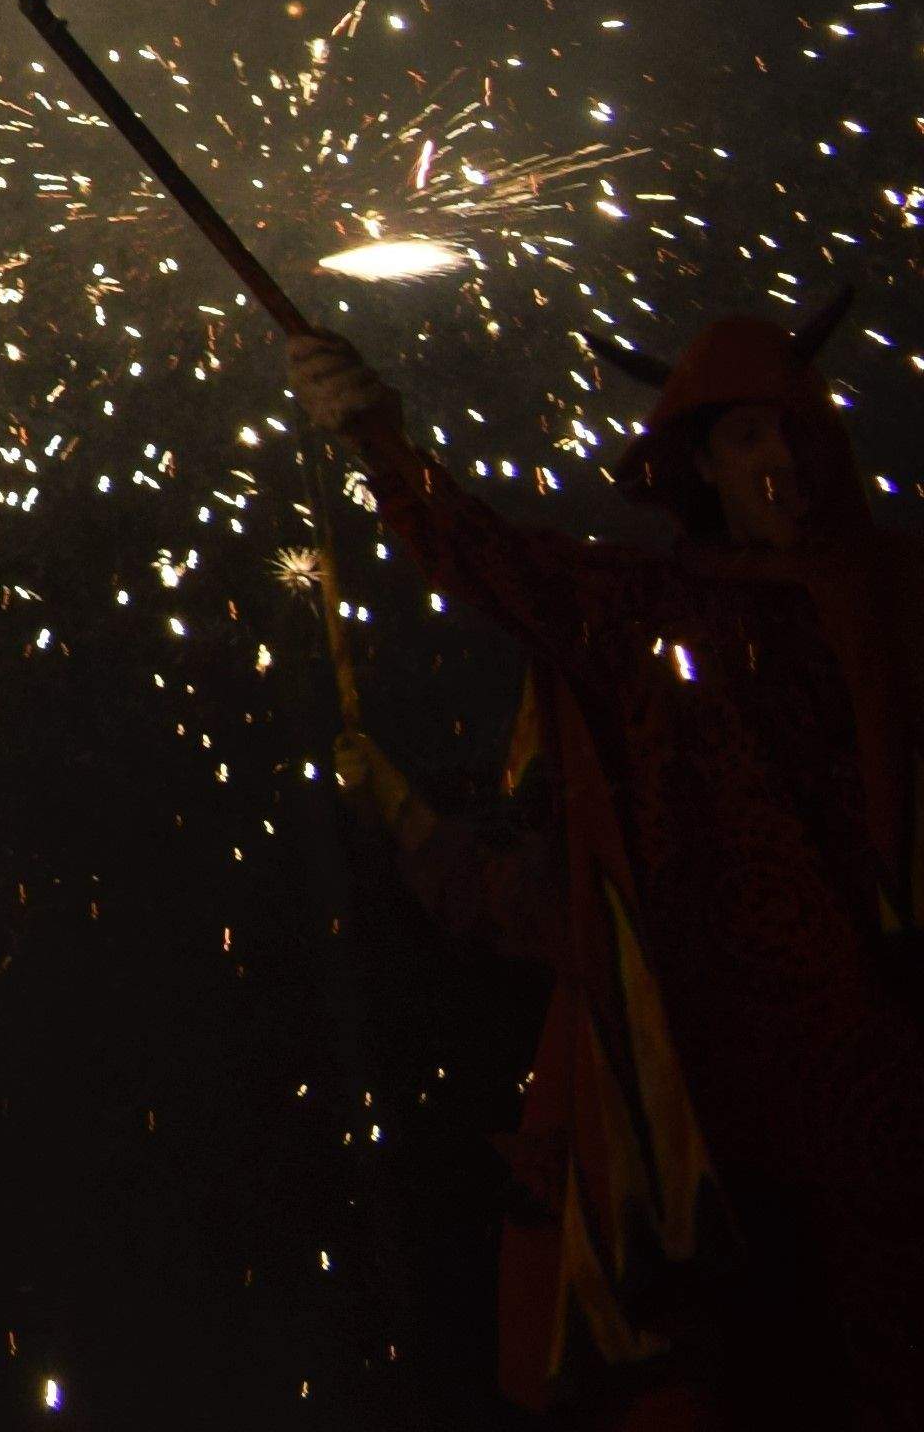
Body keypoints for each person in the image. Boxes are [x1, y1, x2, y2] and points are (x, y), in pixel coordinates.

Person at [290, 303, 922, 1422]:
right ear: (699, 467)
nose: (778, 463)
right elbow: (499, 561)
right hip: (736, 1091)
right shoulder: (656, 618)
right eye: (745, 441)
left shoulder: (900, 597)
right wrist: (377, 438)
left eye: (791, 434)